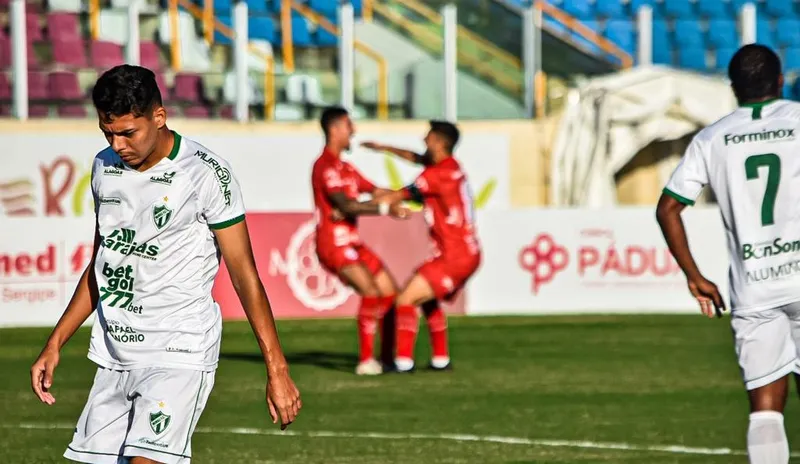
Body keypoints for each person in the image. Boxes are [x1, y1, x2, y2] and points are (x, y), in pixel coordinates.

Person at [29, 65, 301, 464]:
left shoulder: (206, 174)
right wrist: (55, 343)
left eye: (127, 133)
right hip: (115, 353)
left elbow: (245, 276)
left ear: (159, 117)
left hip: (179, 350)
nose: (117, 145)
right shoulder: (104, 167)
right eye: (108, 133)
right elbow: (103, 263)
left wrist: (276, 368)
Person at [656, 44, 800, 464]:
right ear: (779, 80)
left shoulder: (711, 137)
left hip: (754, 287)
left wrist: (694, 276)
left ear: (733, 88)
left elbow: (668, 208)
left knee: (765, 407)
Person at [361, 120, 481, 373]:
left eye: (428, 136)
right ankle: (441, 359)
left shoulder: (437, 175)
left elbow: (403, 193)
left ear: (439, 142)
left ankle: (403, 362)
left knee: (406, 298)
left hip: (455, 255)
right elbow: (415, 157)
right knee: (426, 298)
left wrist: (365, 199)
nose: (423, 139)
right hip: (464, 252)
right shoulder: (449, 167)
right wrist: (384, 148)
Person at [312, 106, 408, 376]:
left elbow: (376, 191)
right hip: (333, 244)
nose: (353, 130)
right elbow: (348, 205)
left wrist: (413, 195)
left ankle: (388, 360)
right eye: (348, 125)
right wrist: (385, 209)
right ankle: (366, 362)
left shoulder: (346, 168)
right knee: (370, 291)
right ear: (334, 129)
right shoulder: (325, 167)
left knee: (390, 291)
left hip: (353, 243)